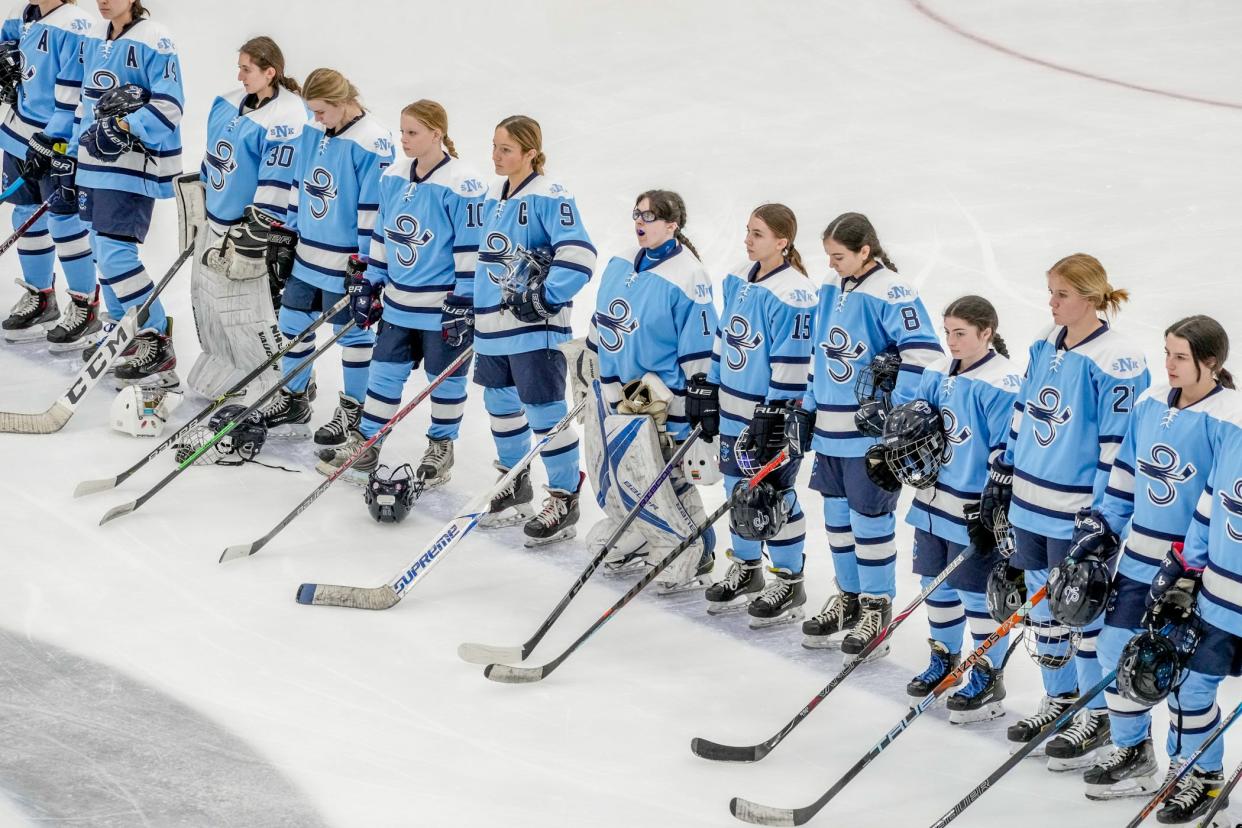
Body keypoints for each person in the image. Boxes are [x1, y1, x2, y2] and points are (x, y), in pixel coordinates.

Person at [983, 253, 1150, 769]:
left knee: (1083, 615)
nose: (1051, 303)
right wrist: (1003, 469)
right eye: (1050, 292)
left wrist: (1100, 518)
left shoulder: (1118, 361)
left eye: (1061, 295)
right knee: (1043, 611)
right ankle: (1059, 700)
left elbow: (1117, 449)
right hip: (1030, 504)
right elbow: (1024, 410)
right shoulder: (1043, 341)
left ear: (1091, 297)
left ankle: (1094, 713)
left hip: (1076, 513)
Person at [1080, 316, 1236, 801]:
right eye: (1166, 352)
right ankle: (1133, 752)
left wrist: (1193, 570)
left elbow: (1217, 501)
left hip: (1190, 573)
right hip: (1140, 561)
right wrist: (1104, 528)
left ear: (1210, 363)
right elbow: (1125, 475)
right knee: (1115, 653)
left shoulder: (1226, 418)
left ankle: (1198, 771)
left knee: (1184, 680)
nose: (1167, 364)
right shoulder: (1149, 402)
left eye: (1181, 357)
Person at [315, 99, 484, 486]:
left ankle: (441, 446)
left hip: (441, 307)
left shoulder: (462, 183)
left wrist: (465, 298)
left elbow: (469, 248)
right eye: (403, 131)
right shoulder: (393, 174)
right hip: (398, 304)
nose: (404, 139)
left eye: (413, 133)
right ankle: (368, 443)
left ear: (436, 134)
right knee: (385, 375)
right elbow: (381, 232)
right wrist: (371, 279)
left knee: (445, 381)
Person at [800, 213, 943, 657]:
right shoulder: (831, 285)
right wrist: (807, 407)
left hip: (868, 438)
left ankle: (876, 607)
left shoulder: (894, 293)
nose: (833, 263)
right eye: (829, 256)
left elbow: (923, 354)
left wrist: (890, 411)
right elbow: (820, 351)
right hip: (829, 430)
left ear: (866, 251)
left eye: (840, 256)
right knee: (838, 521)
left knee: (869, 522)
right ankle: (849, 597)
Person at [684, 203, 815, 626]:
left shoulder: (793, 294)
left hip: (767, 417)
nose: (747, 239)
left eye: (757, 234)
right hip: (734, 409)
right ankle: (747, 569)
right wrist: (711, 386)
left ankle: (789, 580)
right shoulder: (741, 277)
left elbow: (792, 363)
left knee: (772, 497)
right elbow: (726, 337)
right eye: (747, 231)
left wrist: (775, 412)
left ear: (783, 241)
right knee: (737, 493)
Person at [583, 190, 719, 592]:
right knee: (626, 472)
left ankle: (699, 550)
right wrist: (590, 352)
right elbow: (604, 314)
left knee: (670, 477)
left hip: (659, 398)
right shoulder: (623, 260)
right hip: (615, 390)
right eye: (636, 213)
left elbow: (699, 345)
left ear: (672, 225)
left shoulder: (689, 277)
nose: (639, 221)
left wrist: (698, 398)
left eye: (649, 216)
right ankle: (641, 532)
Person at [471, 115, 596, 546]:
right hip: (491, 325)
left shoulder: (550, 195)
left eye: (506, 149)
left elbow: (579, 254)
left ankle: (564, 498)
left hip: (533, 328)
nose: (496, 156)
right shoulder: (493, 195)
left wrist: (547, 296)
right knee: (500, 405)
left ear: (530, 152)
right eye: (493, 147)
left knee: (544, 413)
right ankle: (514, 481)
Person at [897, 296, 1021, 722]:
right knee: (935, 586)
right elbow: (917, 425)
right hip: (932, 501)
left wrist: (995, 507)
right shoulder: (937, 371)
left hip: (973, 511)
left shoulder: (1003, 383)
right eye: (947, 332)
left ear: (986, 333)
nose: (950, 341)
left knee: (976, 596)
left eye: (961, 333)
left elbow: (1007, 450)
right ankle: (945, 660)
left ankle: (989, 675)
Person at [260, 67, 394, 442]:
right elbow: (298, 184)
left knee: (352, 336)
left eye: (321, 110)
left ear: (342, 103)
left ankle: (354, 409)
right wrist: (285, 233)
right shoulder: (312, 129)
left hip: (345, 261)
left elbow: (374, 211)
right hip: (307, 255)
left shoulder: (373, 142)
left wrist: (367, 266)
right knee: (292, 322)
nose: (315, 117)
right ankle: (293, 397)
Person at [182, 36, 308, 399]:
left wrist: (259, 231)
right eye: (239, 66)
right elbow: (211, 161)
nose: (239, 76)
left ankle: (270, 381)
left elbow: (277, 183)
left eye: (247, 69)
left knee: (244, 312)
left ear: (271, 72)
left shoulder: (288, 115)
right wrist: (198, 207)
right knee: (207, 301)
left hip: (244, 230)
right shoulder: (225, 102)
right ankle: (226, 360)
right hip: (214, 223)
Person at [73, 0, 184, 386]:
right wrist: (69, 153)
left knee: (115, 251)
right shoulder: (95, 37)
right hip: (93, 163)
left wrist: (124, 125)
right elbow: (85, 103)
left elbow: (170, 104)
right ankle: (125, 329)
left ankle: (155, 337)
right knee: (99, 247)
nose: (103, 1)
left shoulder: (156, 38)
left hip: (132, 163)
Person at [1154, 366, 1242, 823]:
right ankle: (1202, 777)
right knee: (1189, 689)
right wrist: (1187, 569)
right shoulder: (1235, 430)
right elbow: (1210, 502)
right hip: (1220, 597)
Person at [0, 0, 99, 349]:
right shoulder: (21, 12)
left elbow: (82, 94)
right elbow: (7, 51)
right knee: (25, 214)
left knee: (64, 222)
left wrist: (60, 140)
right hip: (17, 134)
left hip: (56, 142)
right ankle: (41, 297)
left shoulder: (78, 25)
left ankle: (86, 305)